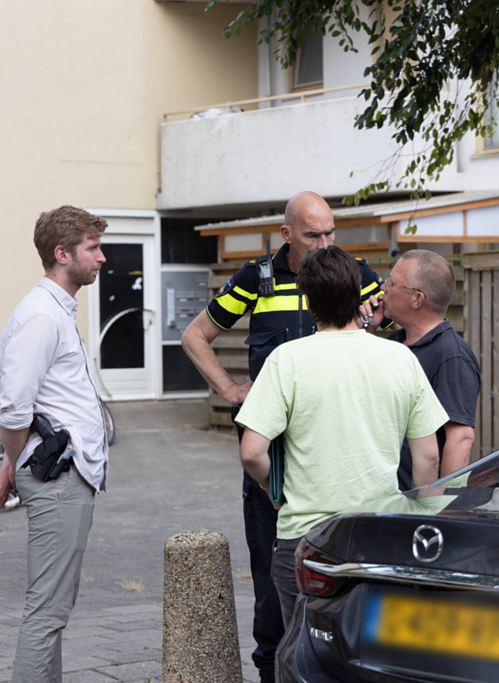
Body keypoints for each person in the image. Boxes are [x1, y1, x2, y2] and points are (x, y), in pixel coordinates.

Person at [180, 191, 389, 682]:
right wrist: (231, 389)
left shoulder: (355, 275)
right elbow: (195, 336)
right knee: (272, 585)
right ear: (287, 234)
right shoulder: (257, 278)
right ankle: (272, 669)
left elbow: (389, 336)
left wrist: (375, 326)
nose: (325, 242)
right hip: (273, 458)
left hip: (339, 451)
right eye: (314, 234)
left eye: (331, 232)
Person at [235, 246, 447, 623]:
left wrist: (276, 492)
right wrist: (419, 516)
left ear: (308, 299)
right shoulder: (401, 359)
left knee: (304, 654)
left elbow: (252, 452)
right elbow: (428, 456)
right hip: (380, 533)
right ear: (358, 294)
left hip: (305, 537)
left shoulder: (287, 360)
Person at [0, 205, 110, 683]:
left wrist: (6, 470)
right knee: (47, 612)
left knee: (52, 610)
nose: (101, 258)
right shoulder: (41, 316)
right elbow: (14, 410)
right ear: (62, 254)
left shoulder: (53, 310)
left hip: (61, 475)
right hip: (59, 483)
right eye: (92, 248)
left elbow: (34, 410)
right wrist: (13, 465)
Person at [362, 249, 480, 489]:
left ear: (417, 299)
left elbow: (460, 438)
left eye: (392, 282)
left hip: (413, 505)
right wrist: (366, 333)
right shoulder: (395, 343)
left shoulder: (450, 355)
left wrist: (441, 508)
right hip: (379, 498)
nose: (382, 288)